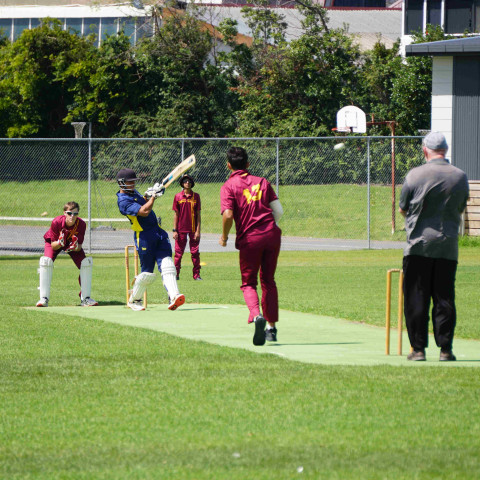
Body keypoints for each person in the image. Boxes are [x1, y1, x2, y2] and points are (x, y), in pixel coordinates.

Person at [399, 131, 469, 362]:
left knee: (416, 297)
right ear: (445, 150)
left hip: (418, 245)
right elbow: (460, 207)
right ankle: (445, 349)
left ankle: (418, 349)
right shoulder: (460, 176)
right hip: (447, 246)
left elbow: (403, 208)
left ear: (424, 149)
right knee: (444, 298)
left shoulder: (415, 175)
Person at [219, 147, 284, 346]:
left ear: (228, 165)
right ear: (248, 164)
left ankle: (256, 316)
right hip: (271, 235)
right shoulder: (263, 181)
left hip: (250, 239)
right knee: (268, 280)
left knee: (248, 283)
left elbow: (228, 215)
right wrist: (267, 226)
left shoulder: (229, 185)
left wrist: (224, 237)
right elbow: (279, 211)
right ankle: (271, 329)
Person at [116, 168, 185, 312]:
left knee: (167, 264)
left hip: (158, 232)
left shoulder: (133, 193)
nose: (133, 184)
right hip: (144, 236)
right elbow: (144, 211)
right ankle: (134, 300)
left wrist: (150, 194)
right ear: (121, 183)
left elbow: (143, 203)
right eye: (130, 182)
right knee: (147, 274)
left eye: (134, 182)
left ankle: (174, 296)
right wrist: (153, 197)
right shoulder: (122, 201)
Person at [36, 202, 98, 307]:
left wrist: (75, 246)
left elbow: (79, 246)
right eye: (69, 213)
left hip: (71, 244)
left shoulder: (81, 224)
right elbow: (53, 245)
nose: (72, 216)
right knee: (46, 262)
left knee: (86, 263)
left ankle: (85, 298)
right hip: (56, 243)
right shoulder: (56, 222)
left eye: (75, 214)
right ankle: (44, 299)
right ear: (64, 213)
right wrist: (60, 243)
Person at [172, 174, 202, 281]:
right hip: (180, 230)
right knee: (178, 254)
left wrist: (198, 231)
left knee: (195, 253)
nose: (187, 183)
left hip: (193, 230)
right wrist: (175, 230)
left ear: (192, 183)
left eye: (189, 181)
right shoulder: (178, 197)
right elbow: (176, 215)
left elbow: (198, 215)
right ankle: (176, 274)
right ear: (182, 183)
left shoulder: (196, 196)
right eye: (185, 181)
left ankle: (196, 275)